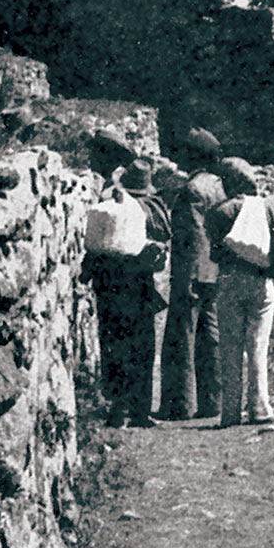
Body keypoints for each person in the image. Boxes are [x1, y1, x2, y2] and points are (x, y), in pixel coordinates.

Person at [204, 157, 274, 427]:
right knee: (258, 347)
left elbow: (215, 250)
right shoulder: (272, 208)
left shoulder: (222, 212)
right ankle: (259, 408)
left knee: (230, 347)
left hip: (231, 280)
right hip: (262, 282)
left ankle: (230, 412)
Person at [83, 156, 172, 428]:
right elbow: (163, 236)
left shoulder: (108, 204)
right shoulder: (152, 208)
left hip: (109, 283)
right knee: (142, 346)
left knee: (113, 344)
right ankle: (140, 411)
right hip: (138, 283)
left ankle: (117, 409)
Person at [156, 128, 226, 420]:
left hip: (193, 271)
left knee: (181, 334)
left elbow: (193, 237)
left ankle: (179, 403)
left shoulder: (192, 190)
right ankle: (213, 401)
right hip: (215, 270)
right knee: (210, 335)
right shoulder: (219, 186)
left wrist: (184, 279)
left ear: (196, 156)